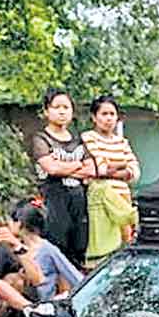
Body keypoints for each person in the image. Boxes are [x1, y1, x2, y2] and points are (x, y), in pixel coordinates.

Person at [31, 88, 99, 268]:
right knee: (56, 247)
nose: (62, 112)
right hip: (54, 201)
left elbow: (92, 169)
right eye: (56, 107)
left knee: (79, 247)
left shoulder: (77, 139)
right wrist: (77, 165)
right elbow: (51, 168)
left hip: (78, 201)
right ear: (46, 111)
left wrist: (65, 168)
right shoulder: (41, 139)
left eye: (66, 107)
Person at [81, 95, 140, 268]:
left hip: (123, 198)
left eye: (112, 114)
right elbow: (98, 167)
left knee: (126, 243)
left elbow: (135, 172)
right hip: (102, 200)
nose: (108, 119)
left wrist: (112, 169)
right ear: (94, 117)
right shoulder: (88, 138)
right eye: (104, 114)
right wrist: (122, 168)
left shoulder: (122, 142)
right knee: (106, 245)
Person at [9, 199, 83, 302]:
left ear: (19, 223)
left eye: (12, 220)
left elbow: (72, 274)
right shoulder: (16, 246)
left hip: (46, 303)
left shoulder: (47, 249)